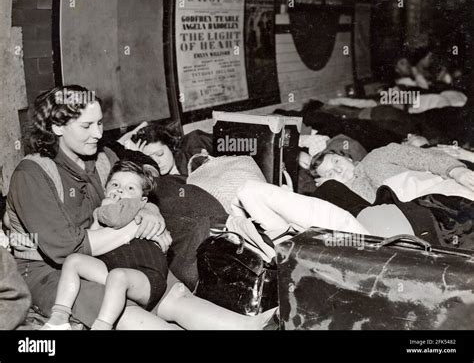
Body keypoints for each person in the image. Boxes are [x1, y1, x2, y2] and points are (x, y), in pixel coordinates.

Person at [7, 85, 275, 330]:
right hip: (51, 271)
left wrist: (149, 210)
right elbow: (65, 249)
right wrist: (136, 227)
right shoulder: (30, 175)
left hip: (108, 254)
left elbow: (141, 183)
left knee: (175, 296)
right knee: (127, 312)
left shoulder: (103, 157)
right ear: (57, 127)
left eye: (100, 123)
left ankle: (251, 326)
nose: (98, 134)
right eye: (87, 126)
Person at [41, 161, 168, 330]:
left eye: (131, 188)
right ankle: (59, 316)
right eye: (115, 184)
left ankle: (102, 326)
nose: (120, 190)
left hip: (147, 277)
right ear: (106, 189)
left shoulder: (141, 209)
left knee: (118, 276)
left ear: (143, 199)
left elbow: (116, 218)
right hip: (113, 269)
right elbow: (92, 248)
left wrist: (112, 206)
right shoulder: (100, 211)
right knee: (74, 261)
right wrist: (102, 211)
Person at [309, 143, 474, 203]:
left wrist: (455, 170)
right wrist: (332, 188)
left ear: (348, 158)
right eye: (330, 173)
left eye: (336, 161)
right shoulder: (346, 197)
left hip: (443, 194)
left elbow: (424, 157)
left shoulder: (377, 155)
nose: (338, 170)